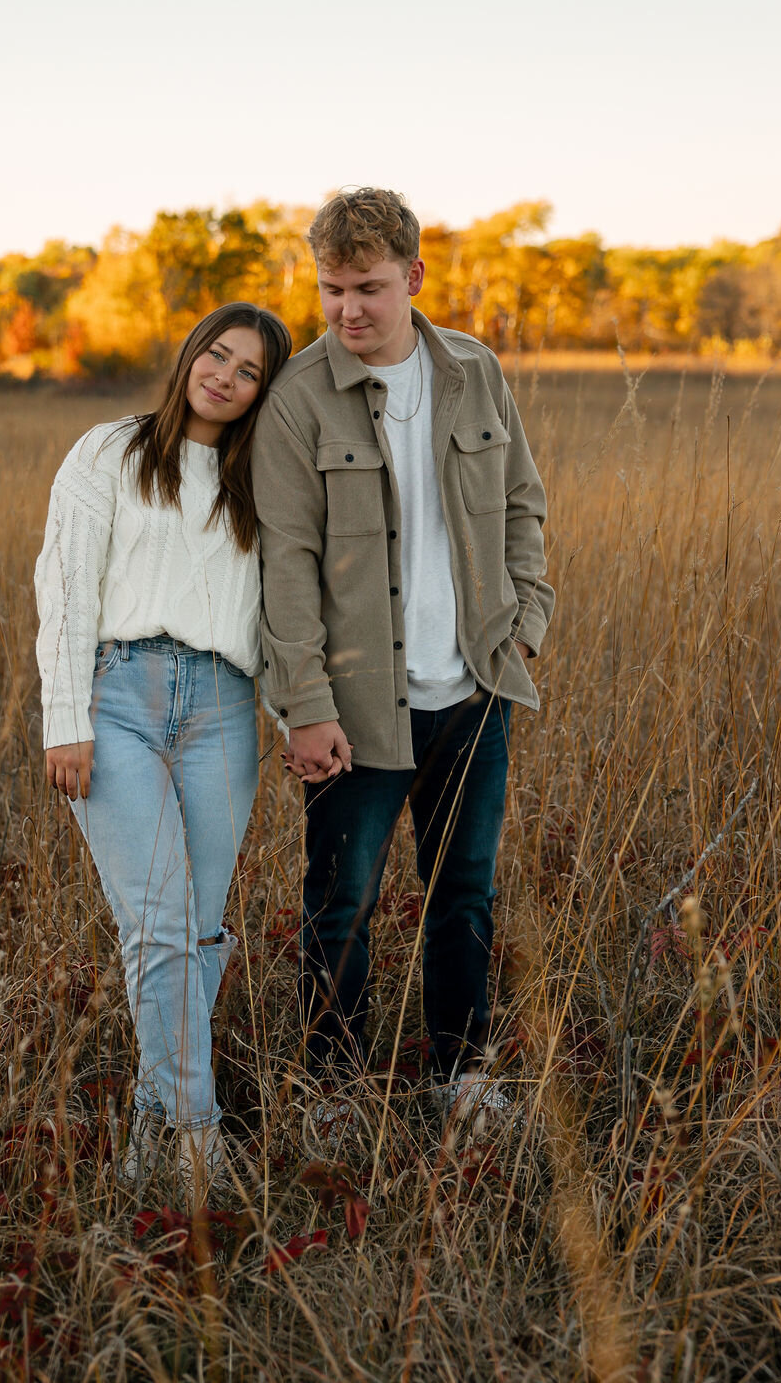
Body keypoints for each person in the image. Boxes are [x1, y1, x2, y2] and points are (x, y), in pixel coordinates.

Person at [251, 188, 554, 1124]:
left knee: (464, 889)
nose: (348, 309)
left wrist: (524, 624)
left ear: (414, 278)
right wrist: (303, 702)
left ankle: (462, 1076)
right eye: (332, 288)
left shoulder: (474, 371)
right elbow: (287, 564)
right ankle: (333, 1090)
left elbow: (521, 505)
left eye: (369, 288)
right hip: (355, 706)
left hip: (474, 690)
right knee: (341, 898)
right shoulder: (298, 397)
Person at [35, 301, 291, 1197]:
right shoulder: (108, 450)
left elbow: (283, 617)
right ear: (191, 354)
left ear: (264, 390)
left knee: (202, 929)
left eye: (248, 369)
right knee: (159, 921)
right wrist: (65, 716)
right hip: (121, 700)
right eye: (216, 354)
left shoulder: (263, 480)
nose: (224, 375)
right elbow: (65, 585)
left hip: (224, 706)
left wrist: (297, 723)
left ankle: (155, 1125)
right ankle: (194, 1138)